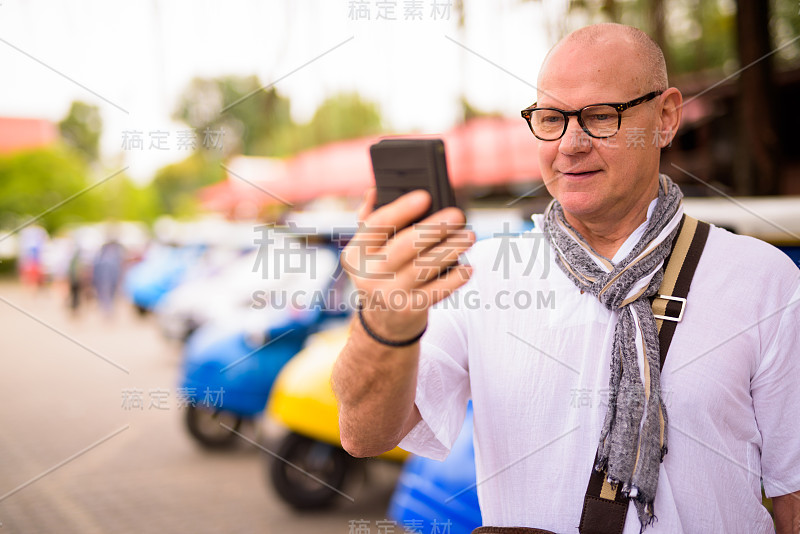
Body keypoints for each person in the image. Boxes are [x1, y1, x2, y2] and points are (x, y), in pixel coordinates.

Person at [332, 23, 800, 534]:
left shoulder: (763, 280)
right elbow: (364, 434)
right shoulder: (478, 275)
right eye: (552, 118)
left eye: (601, 116)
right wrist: (383, 319)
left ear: (666, 118)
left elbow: (792, 496)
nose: (570, 143)